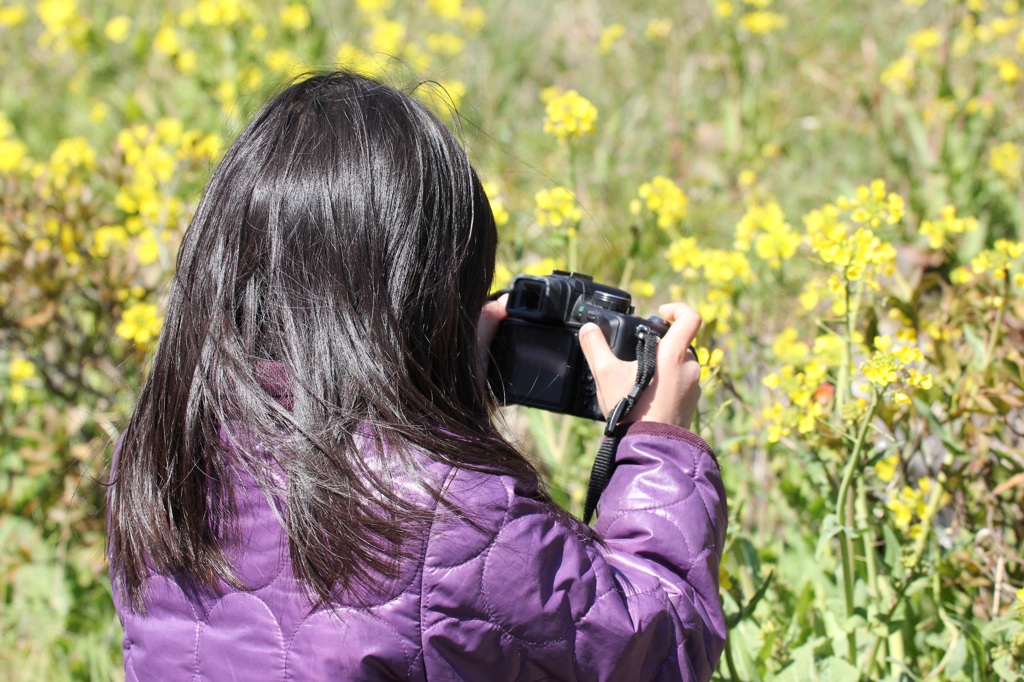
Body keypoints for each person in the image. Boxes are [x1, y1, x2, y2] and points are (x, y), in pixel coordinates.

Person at [107, 71, 727, 681]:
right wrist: (658, 442)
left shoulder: (162, 453)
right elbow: (661, 646)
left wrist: (434, 393)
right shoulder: (455, 514)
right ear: (432, 302)